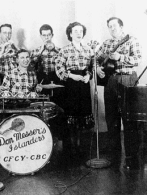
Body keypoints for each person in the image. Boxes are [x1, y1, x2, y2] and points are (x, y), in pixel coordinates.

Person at [95, 17, 142, 169]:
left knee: (129, 119)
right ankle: (114, 156)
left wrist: (121, 57)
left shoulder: (132, 40)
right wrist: (97, 68)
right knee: (111, 119)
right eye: (110, 26)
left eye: (115, 26)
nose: (112, 29)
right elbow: (95, 58)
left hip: (127, 79)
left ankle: (131, 157)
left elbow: (138, 59)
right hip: (110, 81)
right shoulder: (107, 43)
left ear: (121, 27)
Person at [55, 22, 94, 154]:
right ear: (70, 34)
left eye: (81, 31)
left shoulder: (89, 50)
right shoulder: (64, 50)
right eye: (75, 31)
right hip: (70, 84)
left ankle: (81, 148)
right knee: (71, 115)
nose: (79, 33)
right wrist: (71, 75)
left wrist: (89, 75)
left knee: (83, 114)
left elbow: (92, 67)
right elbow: (59, 68)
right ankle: (70, 149)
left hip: (84, 83)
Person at [30, 24, 63, 105]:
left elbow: (64, 63)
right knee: (42, 103)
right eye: (44, 35)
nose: (47, 37)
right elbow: (31, 66)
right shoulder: (35, 51)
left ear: (52, 35)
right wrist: (41, 51)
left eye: (49, 35)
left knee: (57, 102)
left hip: (55, 78)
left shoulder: (60, 50)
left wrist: (55, 49)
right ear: (41, 36)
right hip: (41, 78)